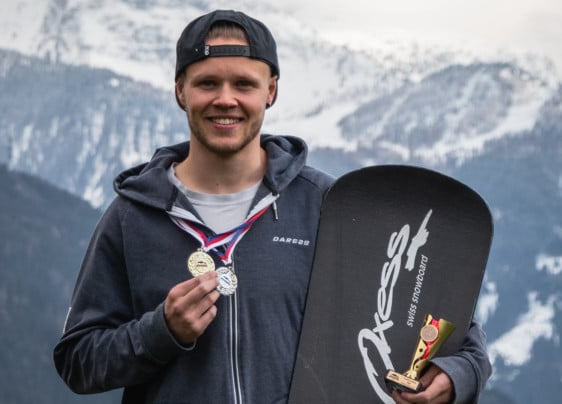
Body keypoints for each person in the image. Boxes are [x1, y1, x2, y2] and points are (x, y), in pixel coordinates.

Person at [53, 9, 491, 404]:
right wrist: (160, 332)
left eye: (244, 84)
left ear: (271, 91)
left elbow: (461, 336)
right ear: (180, 91)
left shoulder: (330, 207)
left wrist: (456, 377)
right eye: (207, 83)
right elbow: (77, 360)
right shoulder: (132, 217)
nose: (226, 99)